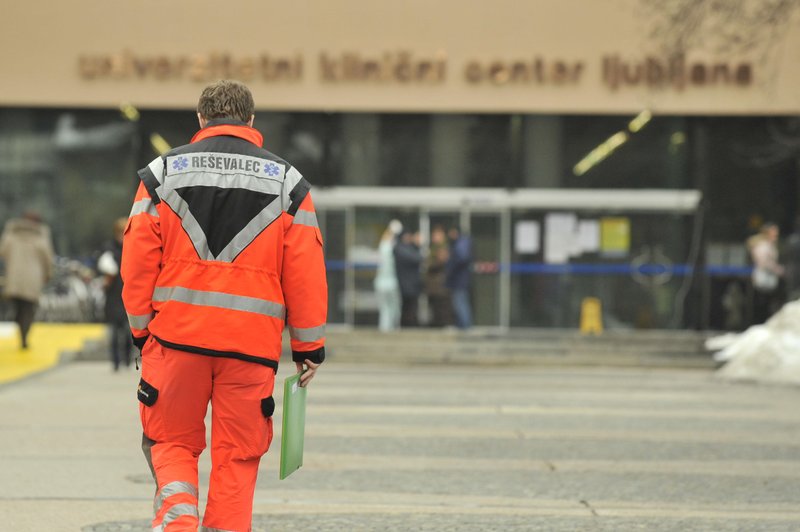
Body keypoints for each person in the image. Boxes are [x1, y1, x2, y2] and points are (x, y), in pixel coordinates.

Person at [121, 80, 327, 531]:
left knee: (171, 442)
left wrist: (141, 332)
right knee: (237, 456)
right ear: (252, 121)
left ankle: (176, 524)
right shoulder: (290, 184)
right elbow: (306, 270)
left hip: (175, 342)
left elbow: (136, 263)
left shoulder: (160, 174)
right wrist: (309, 346)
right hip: (250, 349)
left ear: (200, 120)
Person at [0, 210, 54, 349]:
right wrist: (48, 274)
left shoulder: (12, 233)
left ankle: (20, 329)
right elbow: (47, 257)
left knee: (18, 307)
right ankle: (24, 334)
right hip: (33, 278)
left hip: (14, 277)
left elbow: (3, 251)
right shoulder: (40, 235)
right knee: (29, 309)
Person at [97, 217, 132, 371]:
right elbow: (103, 268)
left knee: (128, 331)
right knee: (113, 332)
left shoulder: (133, 247)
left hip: (129, 294)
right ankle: (116, 362)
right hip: (113, 295)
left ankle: (127, 360)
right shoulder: (109, 249)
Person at [747, 222, 784, 324]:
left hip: (769, 278)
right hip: (763, 278)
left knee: (768, 303)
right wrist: (777, 269)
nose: (776, 236)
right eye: (774, 233)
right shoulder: (762, 246)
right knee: (762, 304)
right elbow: (763, 262)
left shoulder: (771, 245)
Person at [374, 219, 402, 332]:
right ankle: (389, 328)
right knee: (392, 307)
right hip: (390, 282)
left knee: (385, 308)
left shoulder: (383, 244)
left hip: (381, 282)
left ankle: (385, 328)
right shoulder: (392, 246)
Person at [394, 229, 423, 327]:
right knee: (408, 307)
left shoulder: (407, 248)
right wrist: (416, 245)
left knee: (411, 307)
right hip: (406, 284)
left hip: (411, 284)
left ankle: (410, 325)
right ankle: (408, 326)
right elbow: (417, 258)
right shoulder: (401, 249)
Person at [446, 226, 473, 330]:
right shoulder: (460, 244)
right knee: (460, 302)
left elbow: (461, 259)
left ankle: (465, 326)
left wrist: (450, 267)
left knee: (460, 303)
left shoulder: (461, 244)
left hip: (460, 280)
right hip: (459, 280)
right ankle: (462, 325)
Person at [425, 225, 451, 327]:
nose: (434, 237)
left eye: (437, 235)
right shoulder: (433, 247)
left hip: (440, 283)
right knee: (434, 309)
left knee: (441, 309)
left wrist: (429, 264)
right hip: (433, 285)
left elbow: (440, 261)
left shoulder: (443, 247)